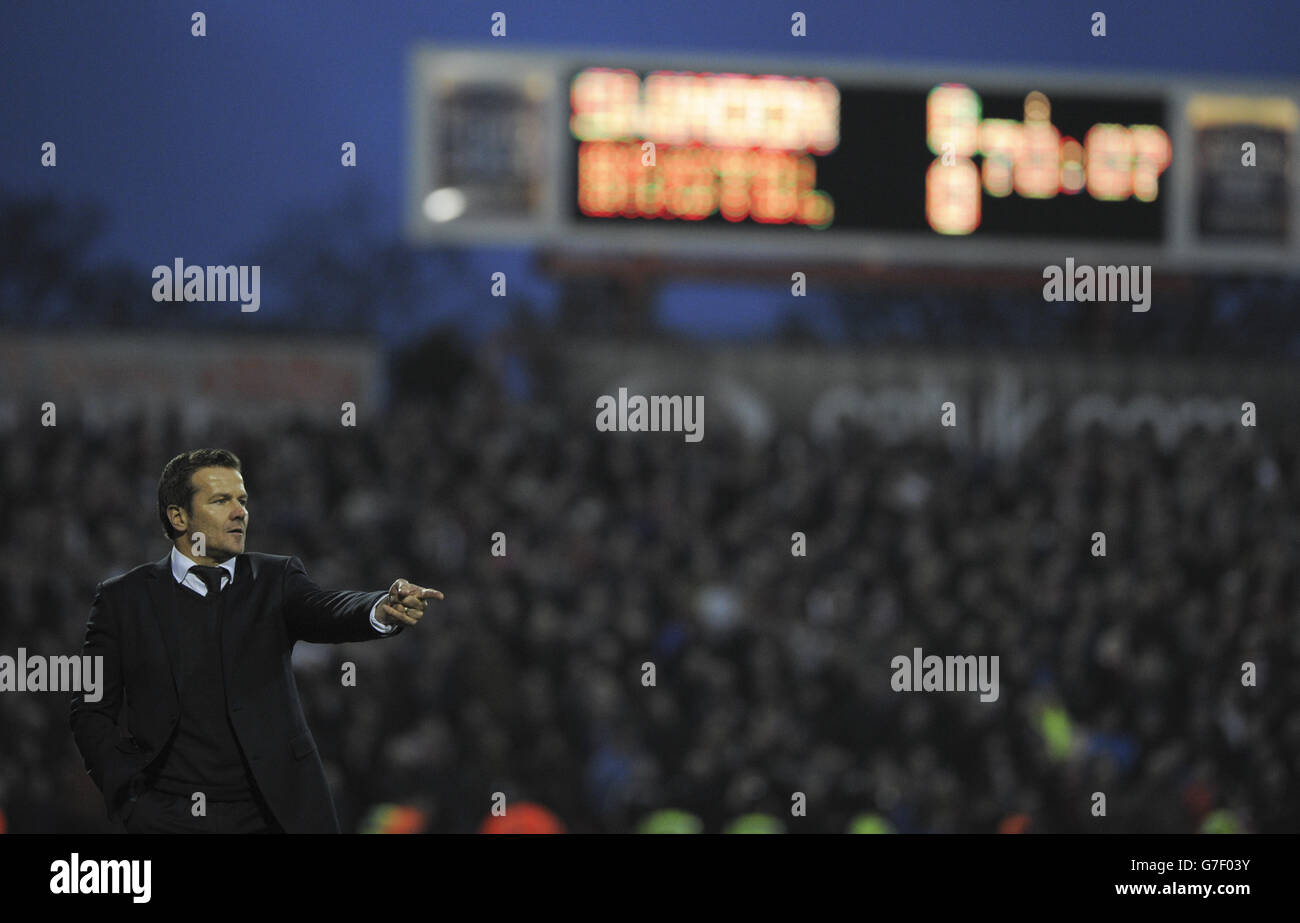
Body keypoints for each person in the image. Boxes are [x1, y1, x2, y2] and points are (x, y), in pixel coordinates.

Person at [69, 448, 443, 833]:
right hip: (170, 819)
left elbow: (325, 609)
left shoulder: (275, 579)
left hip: (274, 816)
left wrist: (379, 608)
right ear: (178, 516)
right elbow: (91, 711)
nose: (239, 512)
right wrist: (132, 800)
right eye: (221, 500)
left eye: (242, 500)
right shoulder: (123, 600)